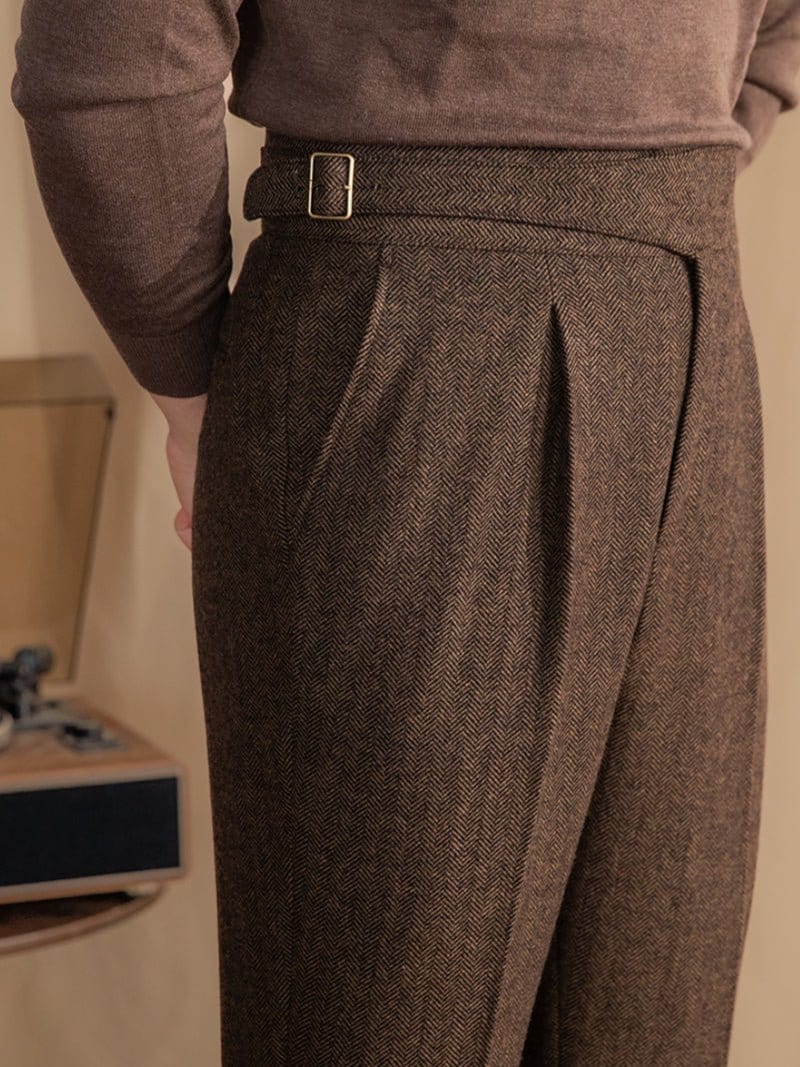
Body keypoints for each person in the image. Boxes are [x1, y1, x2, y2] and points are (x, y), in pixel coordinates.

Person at [10, 3, 800, 1064]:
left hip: (680, 309)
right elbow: (112, 53)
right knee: (388, 1022)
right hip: (420, 321)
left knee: (647, 1019)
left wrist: (657, 180)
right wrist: (192, 382)